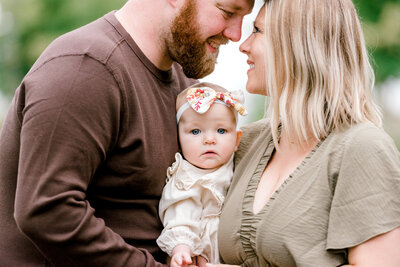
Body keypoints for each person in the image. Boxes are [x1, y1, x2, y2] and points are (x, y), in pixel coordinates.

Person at [0, 0, 255, 266]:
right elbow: (47, 211)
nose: (236, 35)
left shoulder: (185, 89)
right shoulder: (86, 68)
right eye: (227, 12)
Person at [208, 0, 400, 266]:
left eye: (258, 31)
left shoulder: (363, 148)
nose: (243, 45)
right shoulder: (247, 141)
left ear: (298, 46)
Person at [156, 82, 246, 267]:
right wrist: (182, 249)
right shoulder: (187, 179)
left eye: (221, 131)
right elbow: (180, 216)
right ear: (178, 139)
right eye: (195, 131)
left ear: (237, 139)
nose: (209, 140)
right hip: (198, 255)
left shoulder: (239, 164)